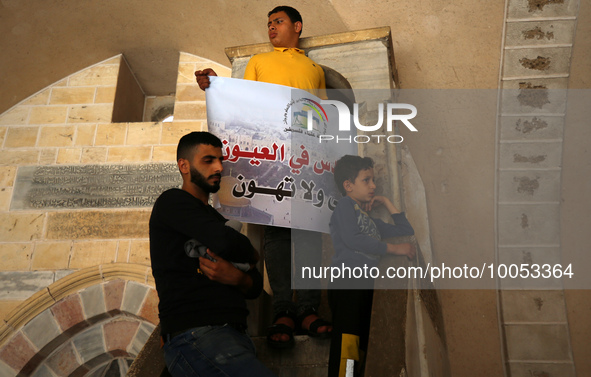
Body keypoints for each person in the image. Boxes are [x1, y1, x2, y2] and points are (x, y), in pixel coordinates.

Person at [195, 5, 331, 349]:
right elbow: (242, 101)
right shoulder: (259, 61)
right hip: (269, 152)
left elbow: (324, 114)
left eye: (279, 22)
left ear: (297, 26)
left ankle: (309, 308)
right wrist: (215, 87)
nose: (272, 28)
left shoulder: (314, 69)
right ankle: (284, 309)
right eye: (269, 23)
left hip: (305, 155)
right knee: (277, 230)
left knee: (309, 230)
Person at [149, 131, 277, 377]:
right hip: (197, 335)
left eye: (220, 160)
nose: (219, 167)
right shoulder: (172, 202)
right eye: (208, 160)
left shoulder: (215, 218)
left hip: (233, 337)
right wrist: (250, 252)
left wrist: (237, 278)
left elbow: (254, 285)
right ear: (183, 166)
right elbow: (226, 242)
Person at [328, 155, 416, 377]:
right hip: (347, 281)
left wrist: (386, 201)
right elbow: (353, 239)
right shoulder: (345, 205)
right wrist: (395, 250)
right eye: (366, 180)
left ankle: (351, 375)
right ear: (348, 186)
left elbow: (405, 231)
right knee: (348, 342)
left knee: (361, 343)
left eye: (373, 180)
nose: (373, 185)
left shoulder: (370, 221)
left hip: (365, 284)